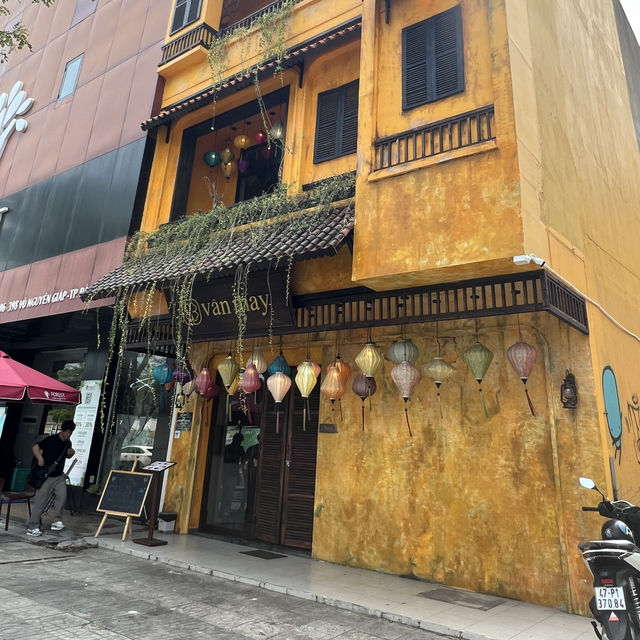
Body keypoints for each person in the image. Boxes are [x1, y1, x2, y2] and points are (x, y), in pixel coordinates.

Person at [26, 420, 76, 537]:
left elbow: (67, 456)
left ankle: (57, 520)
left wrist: (71, 453)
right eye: (67, 432)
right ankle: (33, 526)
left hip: (59, 476)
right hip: (47, 475)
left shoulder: (68, 443)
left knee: (62, 496)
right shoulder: (51, 440)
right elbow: (35, 447)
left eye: (70, 432)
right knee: (41, 501)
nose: (68, 434)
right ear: (62, 430)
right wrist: (40, 459)